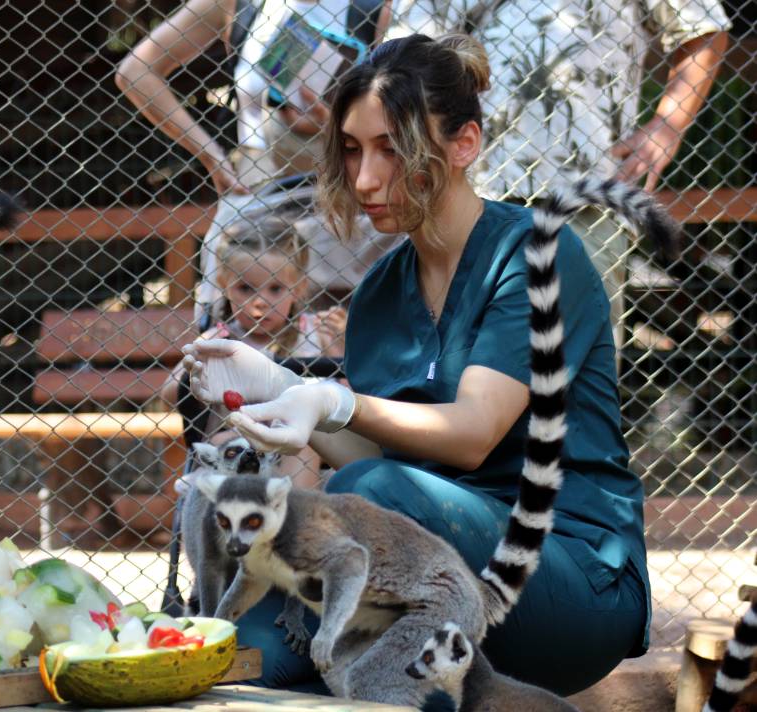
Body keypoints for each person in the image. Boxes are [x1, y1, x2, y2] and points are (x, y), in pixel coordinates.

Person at [181, 34, 652, 697]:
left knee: (371, 498)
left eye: (391, 149)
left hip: (569, 574)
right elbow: (374, 440)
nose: (365, 178)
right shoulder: (380, 292)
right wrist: (278, 388)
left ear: (464, 145)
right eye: (352, 149)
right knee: (244, 634)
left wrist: (332, 400)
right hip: (428, 570)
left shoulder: (532, 254)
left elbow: (471, 432)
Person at [384, 0, 731, 334]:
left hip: (588, 198)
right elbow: (399, 63)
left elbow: (703, 25)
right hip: (466, 191)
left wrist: (667, 126)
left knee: (578, 371)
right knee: (460, 363)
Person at [115, 0, 404, 321]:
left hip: (351, 195)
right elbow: (135, 72)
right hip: (260, 195)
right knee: (230, 255)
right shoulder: (238, 5)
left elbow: (403, 116)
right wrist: (210, 154)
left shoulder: (379, 7)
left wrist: (335, 129)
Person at [161, 214, 346, 489]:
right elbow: (169, 396)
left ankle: (294, 520)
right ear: (225, 286)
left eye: (275, 289)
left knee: (306, 438)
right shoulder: (221, 340)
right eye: (245, 288)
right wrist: (196, 368)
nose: (260, 303)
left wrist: (337, 346)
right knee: (225, 443)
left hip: (300, 452)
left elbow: (348, 398)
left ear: (298, 288)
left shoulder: (316, 334)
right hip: (241, 447)